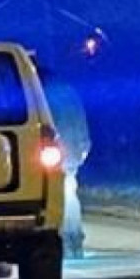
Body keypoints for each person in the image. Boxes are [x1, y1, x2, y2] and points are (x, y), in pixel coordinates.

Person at [40, 68, 91, 260]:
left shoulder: (44, 95)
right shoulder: (69, 91)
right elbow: (80, 117)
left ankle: (68, 238)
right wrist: (84, 144)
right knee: (69, 191)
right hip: (74, 147)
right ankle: (75, 239)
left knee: (62, 193)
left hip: (58, 149)